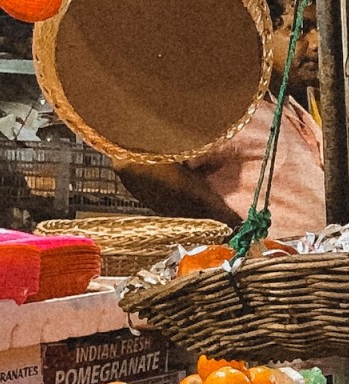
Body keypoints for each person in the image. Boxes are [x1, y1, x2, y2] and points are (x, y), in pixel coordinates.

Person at [115, 0, 327, 239]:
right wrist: (231, 226)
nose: (317, 44)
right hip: (264, 272)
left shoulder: (290, 108)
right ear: (258, 34)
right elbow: (134, 161)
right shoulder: (222, 105)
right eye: (299, 30)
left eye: (318, 30)